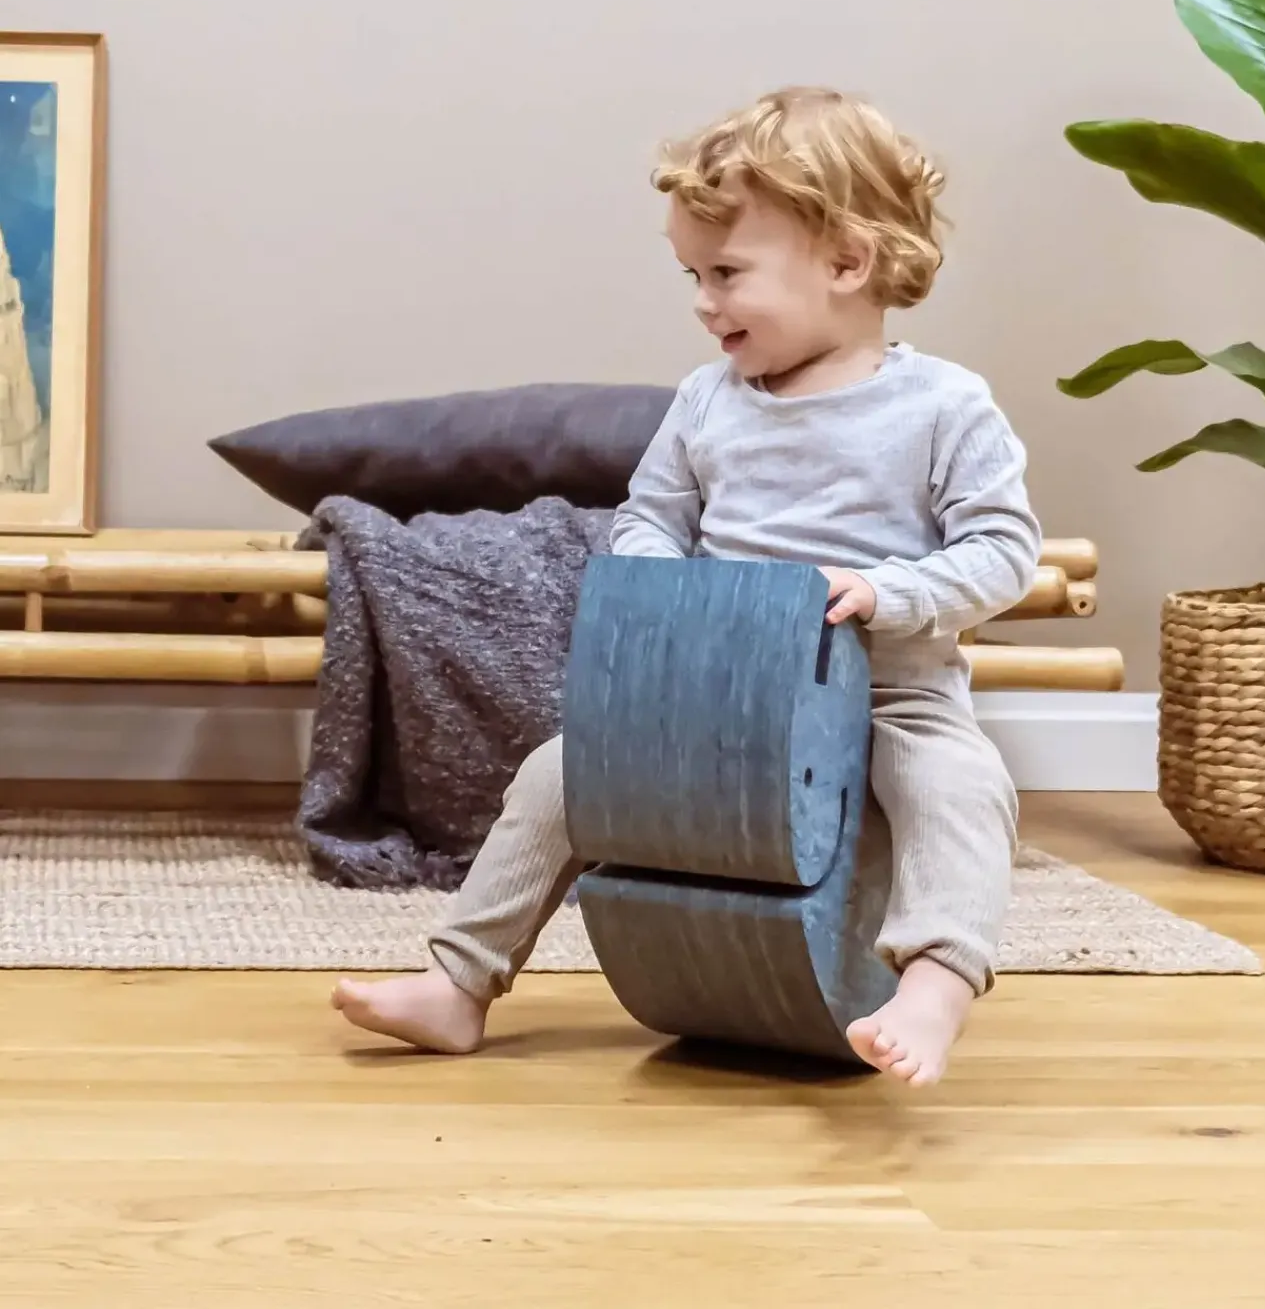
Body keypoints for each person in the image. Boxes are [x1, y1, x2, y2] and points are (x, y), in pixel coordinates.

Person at [332, 86, 1042, 1086]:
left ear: (847, 261)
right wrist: (660, 593)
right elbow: (652, 516)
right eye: (693, 275)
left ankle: (933, 988)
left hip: (892, 694)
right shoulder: (708, 400)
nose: (704, 302)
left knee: (962, 787)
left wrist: (887, 593)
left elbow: (1003, 551)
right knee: (559, 774)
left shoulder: (943, 406)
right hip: (721, 692)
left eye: (728, 273)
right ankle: (459, 981)